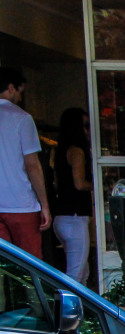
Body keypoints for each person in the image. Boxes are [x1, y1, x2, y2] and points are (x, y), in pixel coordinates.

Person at [0, 67, 51, 259]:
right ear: (11, 88)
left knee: (3, 265)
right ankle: (27, 291)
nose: (20, 98)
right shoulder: (22, 118)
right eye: (21, 92)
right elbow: (32, 165)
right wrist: (44, 204)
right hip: (21, 204)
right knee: (30, 263)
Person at [51, 108, 93, 284]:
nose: (89, 130)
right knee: (75, 275)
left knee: (82, 272)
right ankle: (67, 311)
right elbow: (79, 183)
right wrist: (99, 185)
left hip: (63, 217)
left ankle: (79, 309)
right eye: (86, 125)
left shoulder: (60, 150)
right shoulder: (77, 151)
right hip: (74, 217)